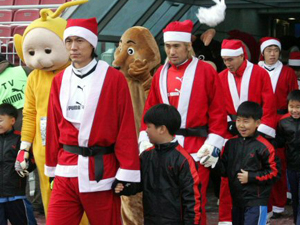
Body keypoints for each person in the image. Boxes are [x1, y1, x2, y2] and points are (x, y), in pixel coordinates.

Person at [44, 18, 140, 225]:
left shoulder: (114, 79)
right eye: (68, 41)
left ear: (92, 44)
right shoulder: (59, 80)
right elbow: (53, 127)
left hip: (101, 174)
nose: (73, 47)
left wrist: (128, 171)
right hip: (66, 170)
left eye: (79, 40)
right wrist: (52, 166)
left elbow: (126, 127)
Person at [138, 20, 227, 225]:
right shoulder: (160, 73)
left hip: (198, 149)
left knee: (195, 204)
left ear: (188, 46)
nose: (171, 51)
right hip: (165, 150)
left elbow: (218, 112)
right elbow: (150, 111)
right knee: (165, 203)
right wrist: (145, 138)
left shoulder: (206, 71)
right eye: (168, 46)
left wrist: (213, 145)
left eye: (176, 46)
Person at [218, 39, 277, 225]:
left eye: (231, 60)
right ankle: (228, 218)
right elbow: (217, 106)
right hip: (230, 134)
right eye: (225, 60)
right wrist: (227, 123)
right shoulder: (220, 77)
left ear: (242, 56)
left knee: (259, 172)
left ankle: (260, 214)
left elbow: (269, 103)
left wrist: (263, 129)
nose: (227, 64)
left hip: (257, 133)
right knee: (228, 177)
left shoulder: (259, 73)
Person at [114, 104, 201, 224]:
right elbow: (138, 183)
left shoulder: (183, 160)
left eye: (149, 127)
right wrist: (124, 186)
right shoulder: (146, 156)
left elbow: (192, 199)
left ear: (162, 129)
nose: (146, 131)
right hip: (150, 220)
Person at [218, 101, 279, 225]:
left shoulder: (265, 146)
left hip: (256, 202)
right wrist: (214, 163)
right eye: (238, 120)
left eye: (246, 121)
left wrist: (251, 177)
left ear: (257, 123)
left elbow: (274, 173)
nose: (241, 125)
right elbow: (224, 171)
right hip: (237, 201)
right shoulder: (231, 143)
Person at [258, 37, 298, 218]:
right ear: (263, 52)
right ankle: (265, 206)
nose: (272, 54)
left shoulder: (288, 72)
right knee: (261, 165)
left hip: (283, 124)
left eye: (275, 50)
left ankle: (280, 203)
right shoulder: (256, 70)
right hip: (260, 122)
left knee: (279, 163)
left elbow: (295, 100)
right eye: (269, 50)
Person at [0, 103, 36, 225]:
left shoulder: (21, 139)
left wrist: (25, 166)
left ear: (12, 120)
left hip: (17, 195)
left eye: (0, 120)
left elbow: (32, 161)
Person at [275, 90, 300, 224]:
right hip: (291, 166)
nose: (294, 110)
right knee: (295, 198)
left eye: (298, 107)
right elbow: (280, 141)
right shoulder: (283, 122)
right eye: (292, 106)